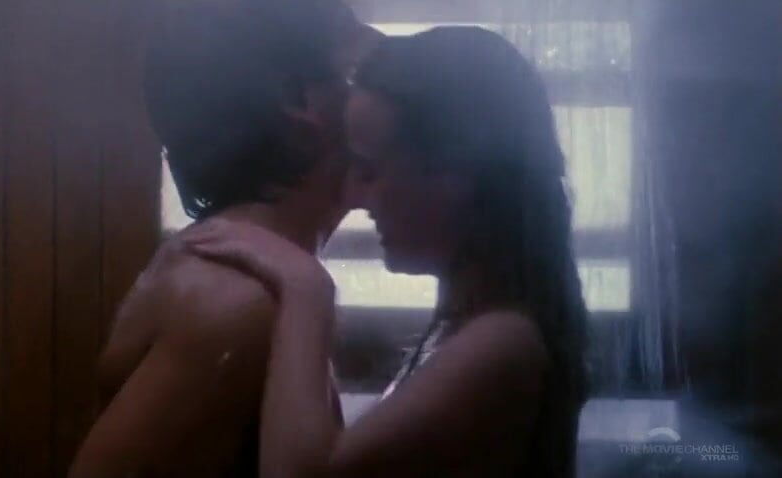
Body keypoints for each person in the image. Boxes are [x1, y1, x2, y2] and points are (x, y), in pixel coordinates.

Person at [185, 27, 590, 477]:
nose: (354, 196)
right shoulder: (478, 326)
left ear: (456, 174)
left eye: (370, 170)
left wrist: (306, 290)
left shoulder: (503, 343)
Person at [68, 1, 381, 476]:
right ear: (300, 100)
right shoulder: (235, 302)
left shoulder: (262, 279)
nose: (388, 87)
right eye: (360, 65)